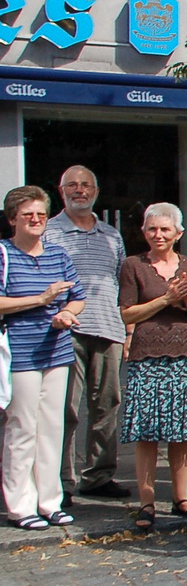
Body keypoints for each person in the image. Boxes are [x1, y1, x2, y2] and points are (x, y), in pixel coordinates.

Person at [118, 203, 187, 531]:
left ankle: (181, 498)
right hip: (147, 356)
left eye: (165, 229)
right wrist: (165, 300)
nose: (158, 235)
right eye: (152, 229)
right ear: (143, 232)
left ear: (178, 234)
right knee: (147, 433)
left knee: (181, 431)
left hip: (185, 355)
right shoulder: (133, 266)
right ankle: (147, 501)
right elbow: (127, 313)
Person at [2, 186, 87, 530]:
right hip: (20, 354)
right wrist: (40, 299)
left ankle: (49, 501)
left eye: (40, 214)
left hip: (57, 351)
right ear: (12, 220)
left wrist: (66, 312)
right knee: (22, 429)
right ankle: (20, 505)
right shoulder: (4, 254)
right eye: (27, 215)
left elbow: (78, 296)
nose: (36, 220)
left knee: (52, 428)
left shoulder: (58, 255)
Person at [46, 165, 129, 502]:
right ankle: (60, 482)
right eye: (72, 185)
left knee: (107, 405)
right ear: (60, 190)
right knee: (64, 408)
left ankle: (98, 476)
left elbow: (122, 283)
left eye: (86, 185)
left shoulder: (112, 235)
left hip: (108, 327)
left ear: (96, 191)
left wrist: (130, 330)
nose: (79, 190)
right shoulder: (49, 232)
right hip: (64, 331)